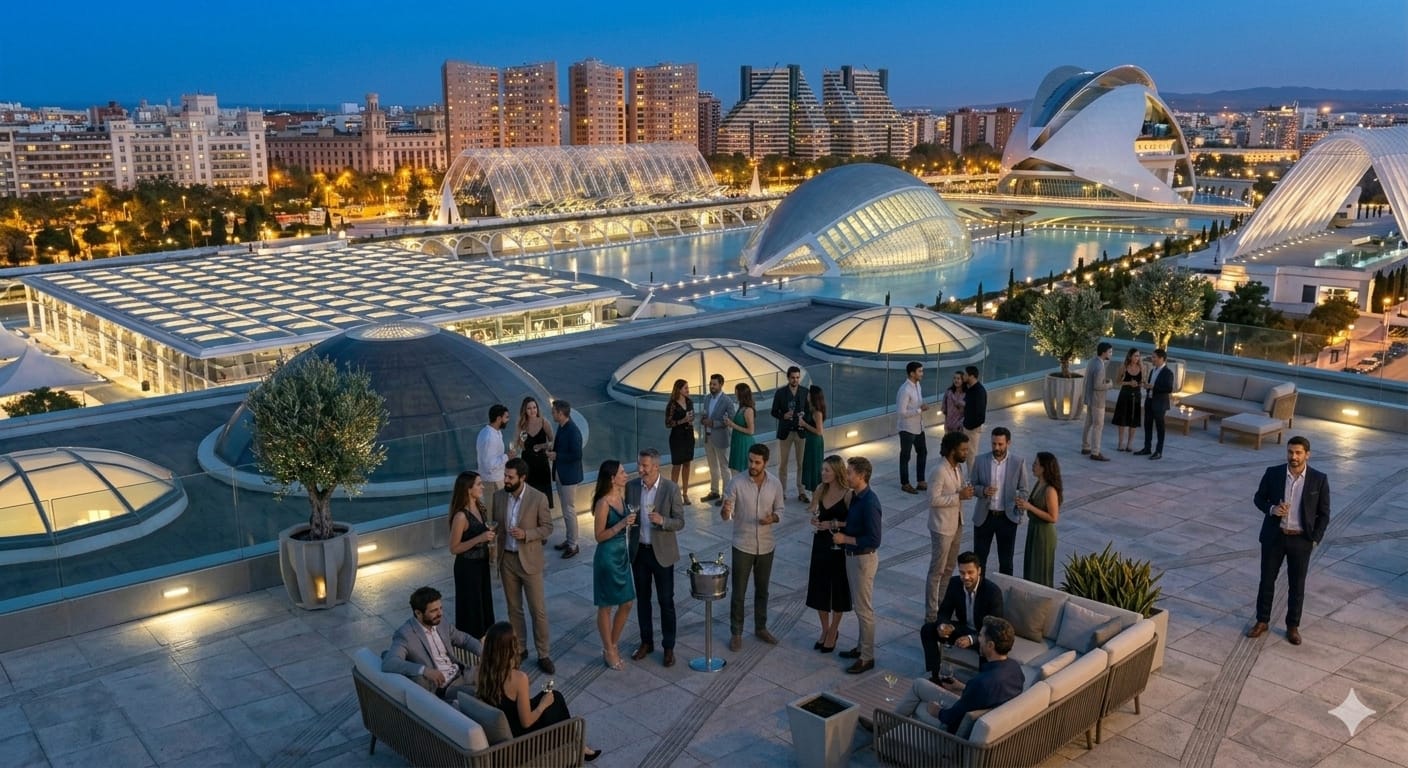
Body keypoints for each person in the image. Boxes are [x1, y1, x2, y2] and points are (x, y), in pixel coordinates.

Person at [475, 622, 601, 761]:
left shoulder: (482, 671)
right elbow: (527, 722)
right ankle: (578, 745)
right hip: (523, 740)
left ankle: (578, 744)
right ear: (509, 648)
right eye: (515, 640)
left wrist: (487, 643)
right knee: (554, 700)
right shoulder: (518, 678)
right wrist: (543, 705)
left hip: (508, 726)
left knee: (549, 694)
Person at [1247, 436, 1330, 646]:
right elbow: (1258, 498)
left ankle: (1293, 626)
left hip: (1301, 540)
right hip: (1274, 537)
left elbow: (1324, 514)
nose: (1294, 457)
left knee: (1297, 586)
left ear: (1307, 455)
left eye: (1298, 453)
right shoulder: (1273, 473)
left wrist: (1315, 539)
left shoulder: (1318, 479)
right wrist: (1272, 509)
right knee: (1266, 581)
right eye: (1290, 452)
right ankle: (1262, 621)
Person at [896, 617, 1024, 734]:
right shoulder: (1016, 670)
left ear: (990, 645)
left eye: (980, 636)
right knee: (919, 684)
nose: (978, 640)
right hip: (982, 720)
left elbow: (952, 717)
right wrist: (962, 687)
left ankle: (886, 729)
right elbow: (989, 695)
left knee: (918, 704)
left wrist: (937, 711)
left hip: (955, 734)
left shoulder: (981, 683)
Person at [492, 457, 555, 674]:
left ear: (522, 478)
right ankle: (519, 648)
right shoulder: (498, 496)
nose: (506, 480)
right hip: (507, 560)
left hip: (529, 559)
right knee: (514, 609)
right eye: (505, 476)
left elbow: (548, 528)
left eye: (510, 477)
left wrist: (527, 534)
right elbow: (496, 526)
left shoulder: (538, 498)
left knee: (537, 610)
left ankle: (544, 653)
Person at [722, 443, 785, 651]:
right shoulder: (736, 483)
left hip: (767, 546)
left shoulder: (775, 484)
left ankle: (761, 627)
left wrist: (773, 518)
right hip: (742, 545)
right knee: (739, 592)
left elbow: (781, 510)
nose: (753, 465)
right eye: (750, 461)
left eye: (757, 462)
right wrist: (725, 510)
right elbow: (726, 516)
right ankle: (736, 632)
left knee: (762, 590)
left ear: (765, 463)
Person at [627, 448, 686, 667]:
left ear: (656, 467)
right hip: (639, 552)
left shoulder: (670, 488)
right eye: (639, 465)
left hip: (662, 553)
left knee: (665, 601)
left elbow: (680, 521)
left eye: (644, 466)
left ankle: (668, 647)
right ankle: (646, 642)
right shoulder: (632, 487)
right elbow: (628, 513)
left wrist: (663, 521)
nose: (640, 469)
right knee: (642, 600)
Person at [382, 586, 483, 701]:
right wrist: (425, 670)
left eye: (440, 608)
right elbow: (389, 663)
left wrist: (484, 652)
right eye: (434, 611)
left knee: (501, 678)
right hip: (446, 687)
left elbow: (465, 640)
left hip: (462, 673)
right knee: (481, 695)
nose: (440, 613)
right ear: (418, 613)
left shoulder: (440, 622)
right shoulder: (405, 635)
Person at [919, 551, 1004, 683]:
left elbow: (995, 628)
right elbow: (944, 612)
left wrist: (972, 639)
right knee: (927, 630)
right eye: (962, 572)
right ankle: (935, 675)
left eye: (970, 572)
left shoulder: (992, 592)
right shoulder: (954, 584)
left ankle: (982, 684)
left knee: (989, 646)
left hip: (983, 635)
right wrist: (943, 625)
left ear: (979, 571)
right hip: (962, 629)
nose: (966, 577)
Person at [834, 456, 882, 674]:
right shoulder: (855, 497)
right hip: (853, 557)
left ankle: (867, 657)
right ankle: (861, 648)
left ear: (862, 475)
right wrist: (837, 525)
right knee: (860, 606)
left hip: (862, 559)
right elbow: (854, 524)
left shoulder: (870, 502)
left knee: (864, 610)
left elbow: (873, 539)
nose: (847, 476)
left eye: (850, 472)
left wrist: (845, 540)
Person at [804, 455, 852, 654]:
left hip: (839, 545)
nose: (823, 473)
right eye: (823, 470)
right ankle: (825, 629)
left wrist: (834, 524)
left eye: (827, 470)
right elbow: (814, 512)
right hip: (821, 543)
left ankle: (834, 630)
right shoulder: (820, 489)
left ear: (837, 472)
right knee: (819, 586)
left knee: (838, 588)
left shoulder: (848, 494)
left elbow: (854, 523)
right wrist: (815, 522)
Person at [590, 460, 635, 670]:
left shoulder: (621, 496)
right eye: (622, 472)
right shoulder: (603, 503)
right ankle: (608, 649)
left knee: (627, 603)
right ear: (612, 478)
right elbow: (599, 536)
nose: (626, 474)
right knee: (606, 605)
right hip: (607, 558)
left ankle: (612, 643)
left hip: (622, 556)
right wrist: (620, 525)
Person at [969, 427, 1030, 577]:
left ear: (1008, 443)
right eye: (994, 444)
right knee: (979, 559)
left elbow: (1024, 489)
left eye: (1000, 444)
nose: (996, 447)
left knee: (1006, 561)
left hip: (1007, 518)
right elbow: (972, 486)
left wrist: (1019, 504)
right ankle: (979, 594)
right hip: (985, 517)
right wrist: (983, 491)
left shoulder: (1018, 462)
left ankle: (1004, 594)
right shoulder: (980, 460)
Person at [925, 431, 972, 623]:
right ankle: (931, 614)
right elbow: (932, 499)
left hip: (957, 523)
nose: (966, 453)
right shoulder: (939, 471)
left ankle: (942, 607)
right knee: (937, 570)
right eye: (963, 450)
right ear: (952, 451)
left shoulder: (957, 469)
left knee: (949, 568)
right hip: (942, 527)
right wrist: (958, 496)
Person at [448, 471, 496, 639]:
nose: (482, 486)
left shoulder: (480, 507)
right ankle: (471, 650)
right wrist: (480, 538)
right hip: (467, 569)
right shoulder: (461, 516)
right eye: (478, 484)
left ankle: (484, 644)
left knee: (484, 605)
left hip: (481, 565)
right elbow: (454, 548)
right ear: (468, 489)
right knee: (471, 609)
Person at [1017, 452, 1063, 587]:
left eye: (1036, 464)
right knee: (1031, 566)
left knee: (1040, 569)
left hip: (1044, 535)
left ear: (1043, 468)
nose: (1033, 466)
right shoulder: (1039, 483)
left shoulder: (1050, 490)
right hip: (1034, 530)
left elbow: (1053, 517)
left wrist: (1029, 507)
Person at [547, 400, 583, 558]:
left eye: (554, 411)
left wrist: (556, 456)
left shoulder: (573, 431)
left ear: (561, 413)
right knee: (566, 510)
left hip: (569, 476)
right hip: (562, 474)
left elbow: (577, 455)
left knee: (569, 510)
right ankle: (569, 541)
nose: (552, 414)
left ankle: (573, 544)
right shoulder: (562, 427)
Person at [770, 366, 809, 501]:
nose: (795, 380)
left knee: (801, 463)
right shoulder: (780, 393)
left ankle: (802, 491)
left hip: (801, 432)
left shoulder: (805, 392)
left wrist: (804, 419)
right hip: (785, 432)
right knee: (783, 464)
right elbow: (774, 411)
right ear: (788, 378)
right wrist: (783, 415)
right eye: (793, 377)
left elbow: (809, 411)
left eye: (797, 377)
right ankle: (782, 491)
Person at [699, 373, 737, 504]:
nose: (712, 386)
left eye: (714, 384)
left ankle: (726, 495)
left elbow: (731, 419)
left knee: (724, 467)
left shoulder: (727, 401)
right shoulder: (707, 398)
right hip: (708, 438)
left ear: (721, 385)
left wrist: (714, 423)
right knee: (712, 466)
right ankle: (714, 491)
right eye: (711, 384)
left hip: (721, 438)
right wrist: (702, 420)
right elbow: (704, 413)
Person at [896, 361, 929, 494]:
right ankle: (905, 483)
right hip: (907, 429)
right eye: (920, 371)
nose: (922, 373)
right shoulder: (905, 390)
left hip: (919, 427)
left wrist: (921, 408)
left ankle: (921, 481)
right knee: (905, 456)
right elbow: (901, 412)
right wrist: (919, 411)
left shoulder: (917, 385)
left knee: (922, 452)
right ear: (912, 373)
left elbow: (917, 404)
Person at [1135, 348, 1174, 460]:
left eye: (1154, 357)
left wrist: (1153, 387)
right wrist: (1147, 387)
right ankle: (1147, 448)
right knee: (1147, 426)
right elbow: (1151, 385)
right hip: (1149, 401)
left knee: (1160, 428)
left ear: (1161, 358)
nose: (1152, 359)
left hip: (1160, 404)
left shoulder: (1168, 373)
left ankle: (1158, 451)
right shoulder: (1153, 370)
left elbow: (1169, 388)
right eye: (1152, 357)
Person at [516, 397, 554, 509]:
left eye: (534, 407)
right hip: (527, 465)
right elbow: (518, 444)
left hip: (542, 464)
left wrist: (542, 446)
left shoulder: (543, 422)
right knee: (530, 498)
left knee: (544, 497)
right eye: (529, 408)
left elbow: (552, 441)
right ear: (525, 410)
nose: (532, 410)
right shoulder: (521, 425)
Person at [665, 378, 696, 504]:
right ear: (679, 390)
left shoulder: (689, 402)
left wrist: (690, 419)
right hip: (677, 437)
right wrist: (682, 421)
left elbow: (692, 415)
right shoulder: (672, 404)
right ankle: (673, 494)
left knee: (687, 464)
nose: (688, 390)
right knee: (677, 465)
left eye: (688, 388)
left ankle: (685, 493)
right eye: (686, 388)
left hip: (688, 435)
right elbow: (667, 423)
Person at [1082, 342, 1114, 461]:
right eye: (1110, 352)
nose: (1111, 354)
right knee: (1098, 425)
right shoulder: (1100, 366)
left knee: (1088, 423)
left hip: (1090, 398)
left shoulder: (1092, 361)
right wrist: (1109, 385)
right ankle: (1095, 452)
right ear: (1104, 352)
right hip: (1098, 400)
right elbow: (1097, 385)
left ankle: (1085, 446)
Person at [477, 404, 515, 498]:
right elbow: (489, 465)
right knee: (493, 511)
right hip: (492, 482)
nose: (508, 420)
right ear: (498, 419)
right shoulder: (489, 437)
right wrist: (507, 457)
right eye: (506, 417)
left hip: (498, 479)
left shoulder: (496, 432)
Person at [1112, 349, 1144, 452]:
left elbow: (1143, 382)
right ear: (1130, 356)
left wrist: (1140, 384)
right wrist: (1129, 383)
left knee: (1133, 420)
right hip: (1125, 394)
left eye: (1138, 356)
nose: (1137, 358)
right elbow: (1117, 381)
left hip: (1136, 395)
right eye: (1135, 356)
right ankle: (1120, 443)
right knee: (1122, 420)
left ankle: (1130, 444)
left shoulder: (1141, 367)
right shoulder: (1124, 367)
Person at [725, 382, 757, 484]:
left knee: (743, 470)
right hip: (737, 441)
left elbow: (751, 431)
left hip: (744, 443)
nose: (735, 395)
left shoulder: (748, 410)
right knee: (736, 470)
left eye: (736, 393)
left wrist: (732, 425)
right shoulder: (741, 408)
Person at [799, 385, 827, 498]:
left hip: (815, 442)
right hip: (810, 441)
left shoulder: (817, 413)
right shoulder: (811, 409)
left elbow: (819, 431)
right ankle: (814, 498)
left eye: (809, 394)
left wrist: (804, 424)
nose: (807, 395)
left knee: (815, 469)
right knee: (810, 467)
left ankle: (816, 500)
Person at [961, 366, 988, 460]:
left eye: (965, 374)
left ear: (971, 376)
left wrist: (970, 427)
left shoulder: (979, 391)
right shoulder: (970, 389)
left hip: (972, 429)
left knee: (971, 456)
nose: (963, 376)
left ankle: (973, 475)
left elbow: (980, 415)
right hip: (967, 427)